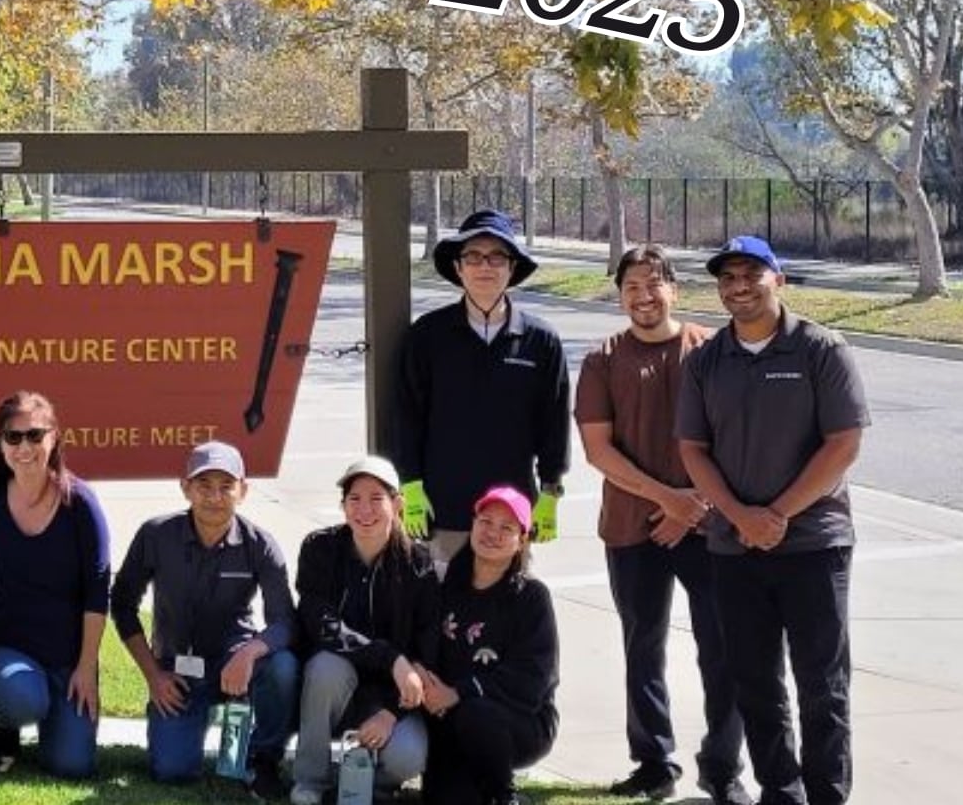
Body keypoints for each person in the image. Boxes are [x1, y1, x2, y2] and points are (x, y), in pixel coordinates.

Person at [677, 236, 868, 805]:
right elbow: (693, 449)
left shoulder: (821, 349)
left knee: (822, 684)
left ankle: (827, 795)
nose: (739, 287)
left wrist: (779, 513)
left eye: (750, 275)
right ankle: (781, 793)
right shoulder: (705, 361)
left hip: (814, 544)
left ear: (777, 279)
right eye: (727, 278)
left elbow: (844, 443)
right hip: (735, 550)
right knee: (756, 684)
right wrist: (739, 517)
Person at [576, 245, 749, 805]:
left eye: (654, 284)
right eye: (631, 287)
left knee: (723, 649)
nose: (643, 296)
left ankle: (723, 768)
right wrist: (667, 501)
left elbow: (735, 437)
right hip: (632, 528)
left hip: (711, 529)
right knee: (642, 647)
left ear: (674, 289)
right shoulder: (603, 358)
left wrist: (694, 506)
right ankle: (654, 763)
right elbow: (598, 450)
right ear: (619, 293)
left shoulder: (711, 350)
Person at [110, 441, 299, 797]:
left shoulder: (261, 545)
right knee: (172, 771)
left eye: (226, 486)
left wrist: (248, 654)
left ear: (243, 490)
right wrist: (154, 675)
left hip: (235, 665)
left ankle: (262, 758)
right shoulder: (155, 535)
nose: (215, 496)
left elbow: (284, 622)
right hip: (176, 672)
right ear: (185, 487)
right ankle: (198, 720)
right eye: (204, 485)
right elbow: (121, 605)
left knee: (283, 666)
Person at [396, 209, 570, 564]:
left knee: (508, 611)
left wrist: (551, 490)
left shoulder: (541, 341)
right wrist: (410, 485)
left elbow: (554, 424)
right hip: (443, 508)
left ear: (512, 268)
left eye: (496, 257)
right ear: (458, 268)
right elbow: (406, 415)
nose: (484, 267)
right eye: (473, 257)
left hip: (512, 510)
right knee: (441, 612)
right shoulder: (428, 335)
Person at [0, 391, 112, 778]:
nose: (24, 446)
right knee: (24, 698)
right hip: (7, 649)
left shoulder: (81, 504)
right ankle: (8, 722)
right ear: (0, 443)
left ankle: (52, 712)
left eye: (34, 435)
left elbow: (97, 592)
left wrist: (86, 668)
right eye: (13, 437)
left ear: (54, 438)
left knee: (71, 766)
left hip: (69, 660)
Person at [290, 455, 441, 805]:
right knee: (326, 666)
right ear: (343, 506)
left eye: (377, 498)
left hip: (391, 694)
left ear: (398, 504)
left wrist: (392, 712)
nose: (365, 510)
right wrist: (391, 658)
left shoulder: (419, 564)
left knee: (408, 758)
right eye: (354, 499)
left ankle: (360, 777)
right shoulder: (319, 548)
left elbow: (425, 649)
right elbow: (321, 624)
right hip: (332, 687)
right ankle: (311, 779)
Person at [419, 486, 560, 805]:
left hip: (515, 722)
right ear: (473, 525)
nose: (492, 533)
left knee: (477, 713)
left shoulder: (532, 597)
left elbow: (532, 680)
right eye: (486, 521)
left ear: (522, 540)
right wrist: (427, 684)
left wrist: (460, 692)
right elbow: (424, 646)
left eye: (507, 528)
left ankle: (504, 796)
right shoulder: (445, 585)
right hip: (448, 716)